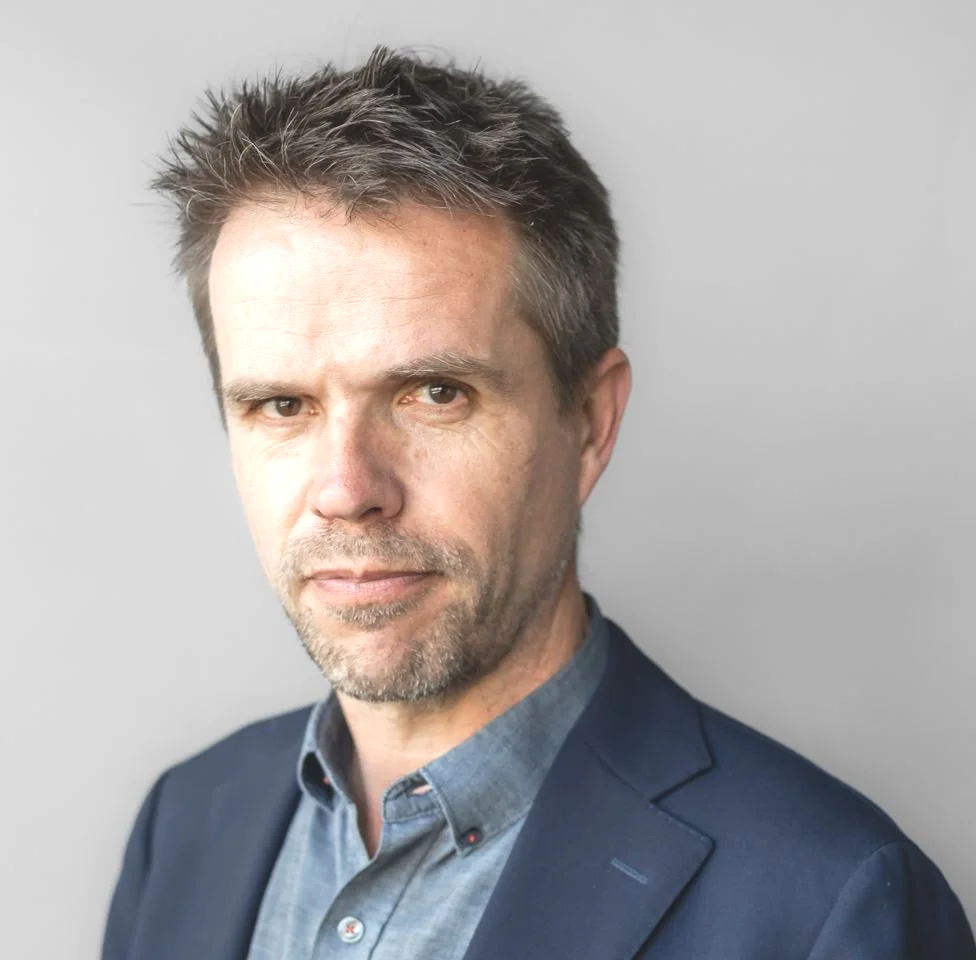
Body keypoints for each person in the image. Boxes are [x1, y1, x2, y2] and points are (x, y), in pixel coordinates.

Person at [102, 45, 975, 959]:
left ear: (590, 422)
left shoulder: (826, 903)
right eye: (282, 406)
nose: (347, 490)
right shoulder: (184, 826)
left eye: (434, 393)